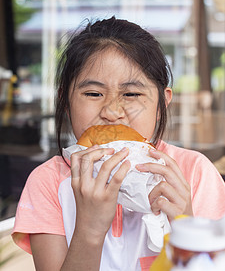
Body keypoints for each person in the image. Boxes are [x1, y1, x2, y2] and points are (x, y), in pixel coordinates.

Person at [12, 17, 225, 271]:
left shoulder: (194, 173)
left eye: (131, 94)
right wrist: (89, 230)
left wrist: (186, 227)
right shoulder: (48, 182)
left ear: (162, 103)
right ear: (65, 102)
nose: (112, 112)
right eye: (93, 94)